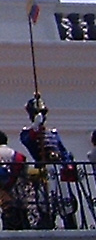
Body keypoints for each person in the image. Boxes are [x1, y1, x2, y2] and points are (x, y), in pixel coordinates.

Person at [19, 95, 78, 230]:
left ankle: (70, 221)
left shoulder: (53, 133)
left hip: (59, 168)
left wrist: (68, 163)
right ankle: (47, 221)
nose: (41, 116)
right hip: (44, 167)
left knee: (65, 198)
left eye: (43, 113)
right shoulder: (27, 132)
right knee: (45, 198)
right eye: (37, 113)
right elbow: (28, 142)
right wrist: (35, 127)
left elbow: (63, 150)